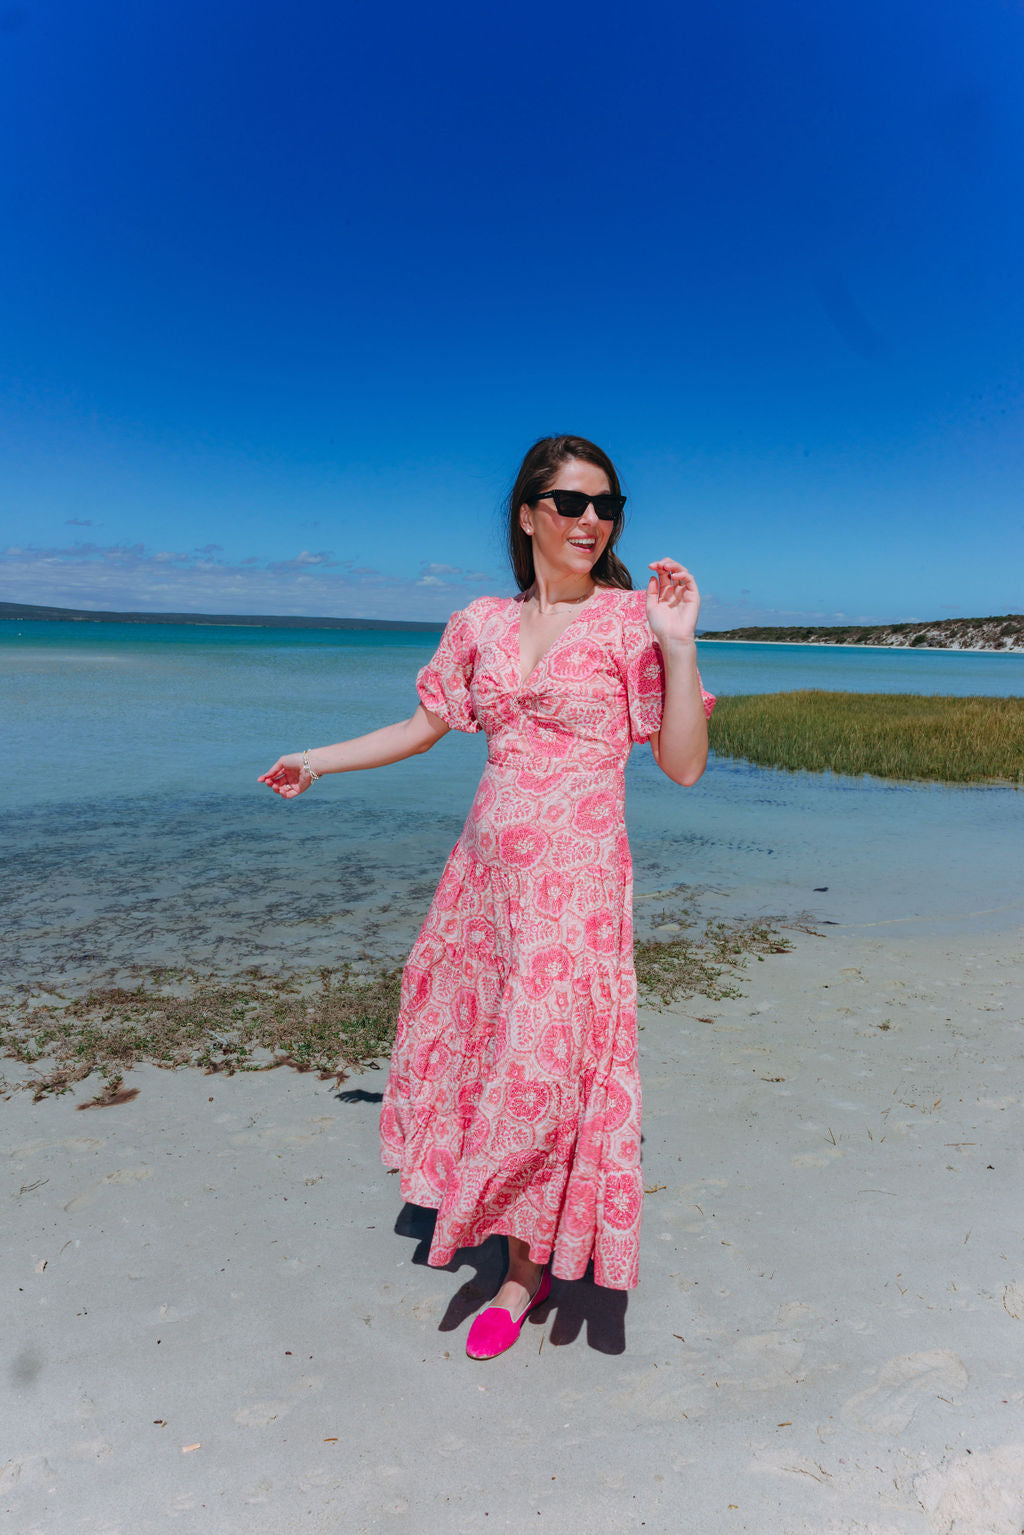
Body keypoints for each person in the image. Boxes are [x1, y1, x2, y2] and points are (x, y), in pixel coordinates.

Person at [258, 434, 715, 1359]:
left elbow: (683, 764)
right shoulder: (479, 623)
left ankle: (521, 1271)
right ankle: (509, 1233)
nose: (592, 520)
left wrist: (679, 643)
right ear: (528, 513)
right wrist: (315, 759)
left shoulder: (631, 622)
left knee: (541, 1068)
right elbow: (420, 726)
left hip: (576, 887)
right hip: (483, 884)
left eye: (607, 505)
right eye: (571, 502)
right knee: (489, 1055)